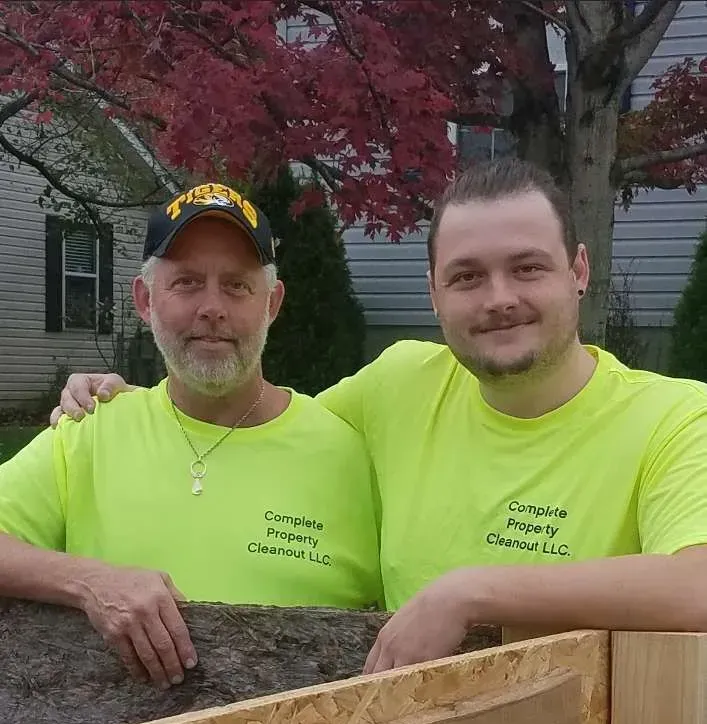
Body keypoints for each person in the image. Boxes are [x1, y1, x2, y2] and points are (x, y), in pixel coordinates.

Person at [50, 159, 707, 675]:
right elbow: (252, 420)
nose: (499, 298)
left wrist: (472, 593)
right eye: (467, 276)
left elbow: (695, 585)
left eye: (527, 268)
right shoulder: (399, 386)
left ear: (578, 271)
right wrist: (132, 399)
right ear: (432, 292)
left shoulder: (673, 417)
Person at [0, 182, 382, 689]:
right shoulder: (90, 430)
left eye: (237, 285)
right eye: (186, 283)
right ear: (144, 300)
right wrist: (91, 582)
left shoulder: (349, 452)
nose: (212, 308)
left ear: (272, 303)